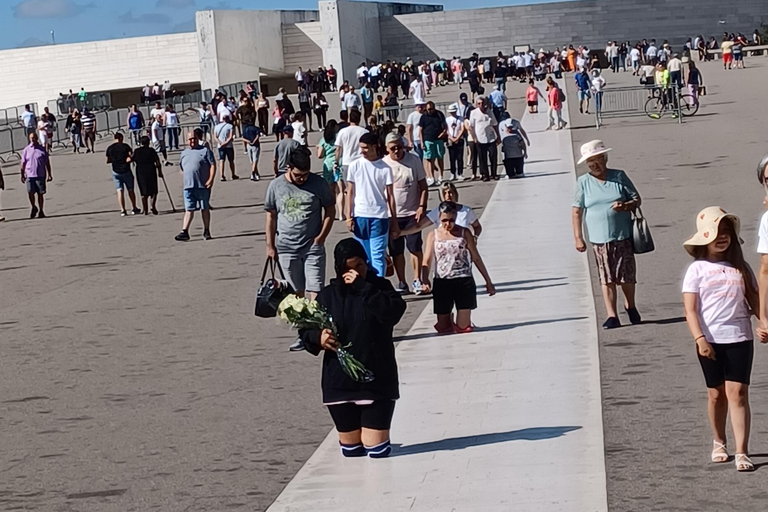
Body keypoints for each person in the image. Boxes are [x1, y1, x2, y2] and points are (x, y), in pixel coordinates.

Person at [298, 238, 406, 458]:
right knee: (352, 451)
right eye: (348, 268)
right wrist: (318, 337)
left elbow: (393, 313)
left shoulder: (380, 288)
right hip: (340, 383)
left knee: (376, 450)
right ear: (339, 269)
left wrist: (364, 289)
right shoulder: (327, 295)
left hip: (376, 380)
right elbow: (305, 330)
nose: (355, 272)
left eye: (360, 266)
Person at [683, 207, 758, 472]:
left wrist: (764, 322)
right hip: (709, 341)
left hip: (739, 338)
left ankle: (742, 451)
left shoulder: (741, 268)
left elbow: (756, 300)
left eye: (726, 232)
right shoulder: (697, 270)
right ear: (705, 237)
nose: (722, 237)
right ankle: (719, 441)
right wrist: (700, 338)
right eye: (716, 232)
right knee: (716, 395)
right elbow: (690, 310)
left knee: (737, 393)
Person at [266, 145, 336, 352]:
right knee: (296, 295)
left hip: (312, 246)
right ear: (288, 168)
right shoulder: (276, 186)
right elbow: (270, 216)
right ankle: (303, 334)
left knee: (315, 291)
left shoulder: (319, 184)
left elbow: (330, 210)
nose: (302, 179)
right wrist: (270, 246)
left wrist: (321, 237)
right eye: (298, 175)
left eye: (305, 175)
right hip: (286, 247)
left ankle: (317, 333)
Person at [572, 140, 641, 329]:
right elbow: (577, 211)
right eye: (590, 162)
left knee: (626, 275)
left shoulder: (619, 176)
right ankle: (612, 315)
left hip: (622, 235)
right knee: (606, 276)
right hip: (598, 239)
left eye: (597, 160)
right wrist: (578, 237)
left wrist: (625, 206)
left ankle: (630, 305)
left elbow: (636, 199)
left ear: (605, 158)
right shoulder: (583, 182)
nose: (594, 164)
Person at [421, 201, 495, 334]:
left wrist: (488, 281)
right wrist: (424, 279)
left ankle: (462, 320)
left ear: (456, 217)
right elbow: (426, 260)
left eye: (451, 220)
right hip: (442, 281)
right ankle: (447, 318)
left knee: (463, 327)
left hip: (463, 280)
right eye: (444, 220)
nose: (448, 224)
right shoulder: (433, 235)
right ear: (439, 217)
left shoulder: (464, 233)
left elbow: (476, 257)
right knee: (443, 328)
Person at [345, 132, 399, 277]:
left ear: (375, 147)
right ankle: (366, 288)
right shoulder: (355, 165)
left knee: (378, 256)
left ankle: (379, 288)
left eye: (366, 148)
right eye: (361, 148)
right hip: (360, 216)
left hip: (379, 217)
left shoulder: (385, 168)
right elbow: (349, 192)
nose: (362, 151)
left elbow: (390, 196)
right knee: (363, 257)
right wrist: (348, 216)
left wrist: (394, 221)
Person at [383, 131, 428, 294]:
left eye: (399, 147)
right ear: (387, 148)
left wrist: (422, 206)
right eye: (393, 148)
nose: (397, 151)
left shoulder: (413, 160)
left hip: (412, 212)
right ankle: (402, 281)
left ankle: (417, 279)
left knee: (415, 247)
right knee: (396, 250)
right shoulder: (383, 164)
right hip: (391, 215)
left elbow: (423, 186)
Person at [175, 130, 216, 241]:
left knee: (204, 208)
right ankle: (184, 231)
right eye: (190, 139)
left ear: (198, 139)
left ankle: (206, 230)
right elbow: (182, 168)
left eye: (194, 138)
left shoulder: (205, 151)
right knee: (189, 209)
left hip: (202, 185)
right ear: (187, 140)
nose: (192, 141)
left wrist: (211, 179)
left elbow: (212, 165)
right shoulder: (184, 153)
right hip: (188, 186)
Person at [105, 132, 140, 216]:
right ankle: (134, 208)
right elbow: (130, 157)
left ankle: (123, 210)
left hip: (115, 171)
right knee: (130, 190)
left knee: (119, 190)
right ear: (121, 138)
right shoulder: (125, 146)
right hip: (126, 170)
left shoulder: (110, 148)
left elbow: (107, 160)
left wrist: (114, 160)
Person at [20, 132, 53, 219]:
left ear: (37, 138)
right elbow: (22, 164)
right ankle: (33, 207)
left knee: (40, 194)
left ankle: (41, 210)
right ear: (29, 139)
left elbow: (47, 163)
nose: (33, 140)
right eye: (31, 138)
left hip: (40, 174)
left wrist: (49, 174)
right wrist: (22, 175)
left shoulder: (42, 149)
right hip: (29, 175)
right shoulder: (26, 150)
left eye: (34, 138)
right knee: (30, 192)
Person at [467, 96, 500, 182]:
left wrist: (498, 136)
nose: (481, 105)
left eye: (482, 103)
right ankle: (485, 174)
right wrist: (474, 137)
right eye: (479, 103)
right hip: (479, 138)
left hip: (490, 137)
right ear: (476, 105)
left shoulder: (490, 112)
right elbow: (471, 127)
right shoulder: (473, 113)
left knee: (493, 156)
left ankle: (494, 173)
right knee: (482, 158)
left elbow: (495, 124)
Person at [317, 120, 343, 217]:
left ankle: (332, 210)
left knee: (331, 188)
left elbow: (319, 155)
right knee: (340, 189)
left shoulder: (323, 140)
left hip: (327, 164)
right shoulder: (338, 138)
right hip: (338, 163)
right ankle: (341, 213)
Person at [419, 101, 447, 186]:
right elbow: (420, 130)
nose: (429, 111)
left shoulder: (439, 114)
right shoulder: (424, 116)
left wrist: (444, 132)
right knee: (429, 159)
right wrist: (422, 142)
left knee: (440, 157)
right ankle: (431, 177)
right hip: (428, 139)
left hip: (438, 139)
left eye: (431, 109)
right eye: (428, 109)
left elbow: (445, 125)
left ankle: (441, 176)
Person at [132, 135, 163, 215]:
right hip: (151, 171)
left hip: (140, 172)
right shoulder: (151, 150)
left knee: (143, 192)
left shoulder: (137, 151)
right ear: (148, 143)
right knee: (154, 191)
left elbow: (131, 159)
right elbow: (157, 162)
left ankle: (145, 210)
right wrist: (160, 172)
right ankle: (153, 206)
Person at [334, 109, 368, 181]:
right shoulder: (365, 131)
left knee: (349, 187)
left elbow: (338, 149)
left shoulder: (342, 131)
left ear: (349, 119)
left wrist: (336, 162)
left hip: (347, 162)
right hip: (361, 161)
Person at [214, 115, 238, 181]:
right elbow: (230, 137)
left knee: (222, 160)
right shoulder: (230, 126)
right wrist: (226, 143)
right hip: (228, 146)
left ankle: (222, 175)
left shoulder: (217, 126)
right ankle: (233, 174)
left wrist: (220, 142)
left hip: (220, 146)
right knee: (231, 160)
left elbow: (215, 137)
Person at [445, 105, 466, 180]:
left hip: (459, 138)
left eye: (453, 112)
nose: (452, 113)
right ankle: (452, 173)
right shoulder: (447, 119)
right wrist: (450, 137)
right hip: (451, 139)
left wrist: (457, 138)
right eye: (451, 112)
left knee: (460, 157)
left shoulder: (460, 118)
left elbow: (462, 129)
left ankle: (460, 173)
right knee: (452, 158)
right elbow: (446, 129)